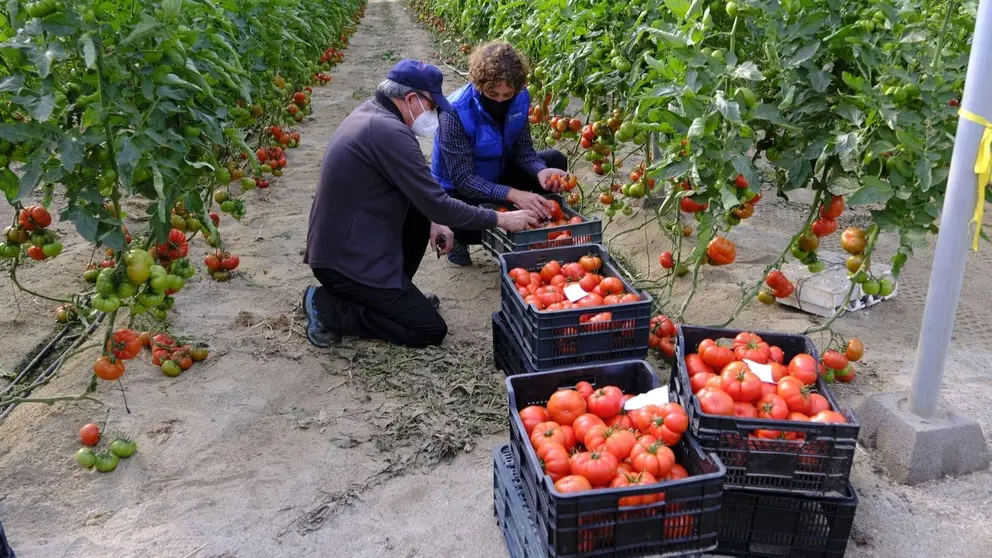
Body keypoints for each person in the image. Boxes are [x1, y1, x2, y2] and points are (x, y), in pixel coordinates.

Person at [302, 59, 537, 349]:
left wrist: (434, 219)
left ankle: (394, 299)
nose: (434, 113)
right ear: (411, 98)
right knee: (427, 329)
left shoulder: (376, 116)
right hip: (343, 263)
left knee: (421, 217)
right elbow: (440, 203)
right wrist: (499, 219)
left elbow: (423, 195)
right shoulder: (387, 133)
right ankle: (326, 306)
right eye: (432, 105)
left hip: (351, 243)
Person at [431, 41, 569, 266]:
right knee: (485, 214)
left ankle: (537, 227)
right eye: (492, 93)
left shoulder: (520, 99)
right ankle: (461, 239)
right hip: (458, 192)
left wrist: (541, 171)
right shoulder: (454, 112)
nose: (500, 100)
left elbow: (524, 149)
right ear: (478, 85)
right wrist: (514, 194)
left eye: (507, 94)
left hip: (496, 171)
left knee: (554, 160)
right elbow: (464, 179)